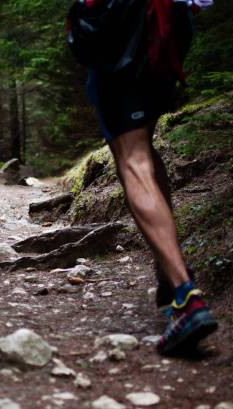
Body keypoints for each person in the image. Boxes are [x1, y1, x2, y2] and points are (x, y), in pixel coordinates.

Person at [85, 0, 217, 354]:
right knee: (142, 146)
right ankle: (167, 271)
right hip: (172, 21)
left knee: (132, 159)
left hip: (125, 20)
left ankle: (186, 297)